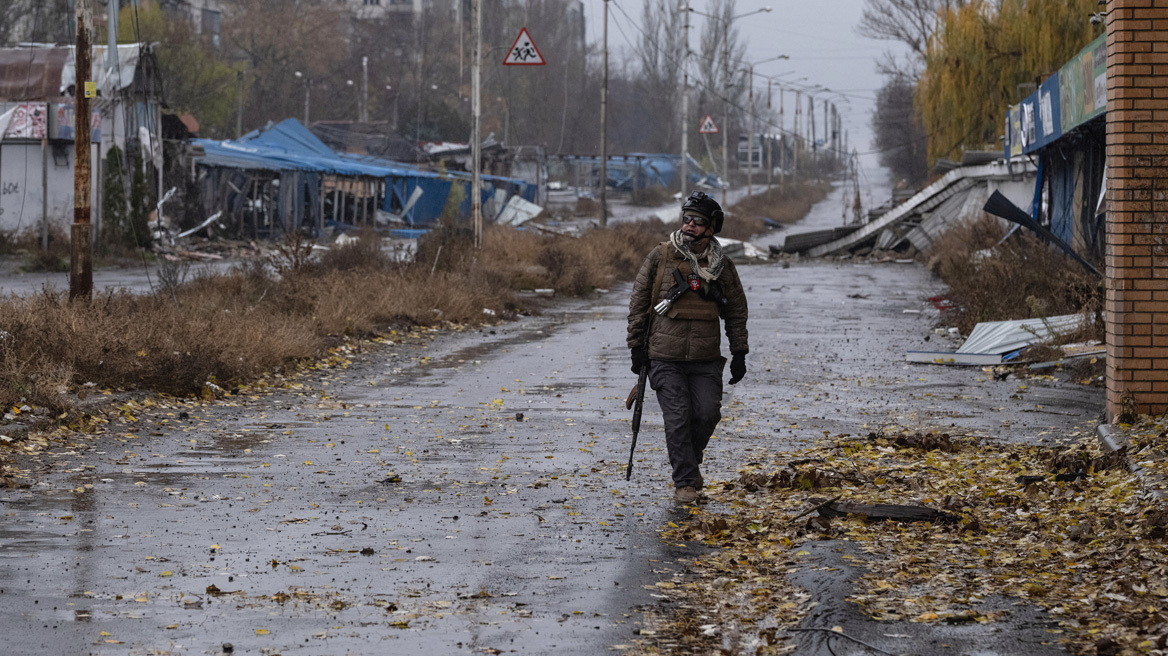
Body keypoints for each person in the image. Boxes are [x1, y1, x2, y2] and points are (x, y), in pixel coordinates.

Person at [626, 191, 749, 503]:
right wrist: (636, 348)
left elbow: (736, 310)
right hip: (664, 357)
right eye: (687, 219)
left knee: (707, 414)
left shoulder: (722, 266)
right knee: (678, 418)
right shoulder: (661, 257)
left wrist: (739, 352)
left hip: (705, 359)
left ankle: (689, 464)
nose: (690, 225)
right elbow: (639, 304)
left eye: (698, 221)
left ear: (711, 228)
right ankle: (685, 482)